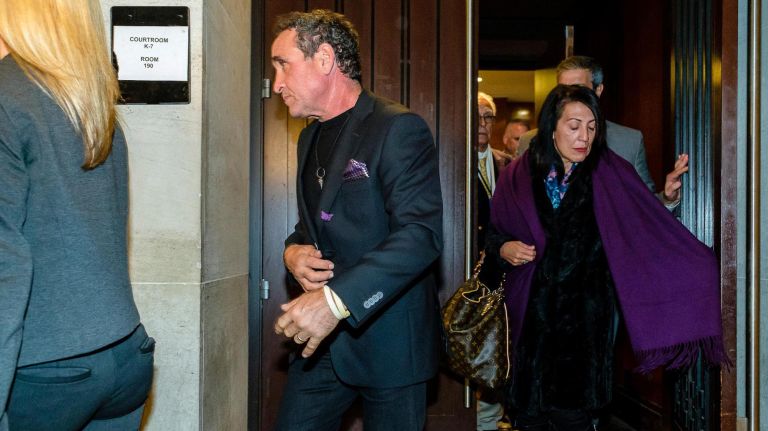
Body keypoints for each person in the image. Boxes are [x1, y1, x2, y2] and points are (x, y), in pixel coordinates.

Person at [486, 84, 726, 430]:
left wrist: (668, 202)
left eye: (592, 126)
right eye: (574, 126)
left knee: (574, 419)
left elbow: (639, 228)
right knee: (529, 419)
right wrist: (505, 248)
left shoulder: (611, 173)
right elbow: (495, 235)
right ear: (552, 126)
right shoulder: (517, 176)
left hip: (584, 329)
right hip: (528, 327)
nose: (584, 136)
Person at [270, 10, 443, 430]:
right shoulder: (309, 136)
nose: (276, 84)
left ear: (324, 59)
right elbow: (314, 226)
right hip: (323, 345)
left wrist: (334, 301)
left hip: (392, 345)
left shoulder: (398, 128)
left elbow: (420, 236)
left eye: (282, 64)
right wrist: (292, 252)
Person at [0, 1, 154, 430]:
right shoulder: (93, 106)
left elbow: (3, 268)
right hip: (126, 355)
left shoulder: (6, 97)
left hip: (47, 369)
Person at [518, 55, 689, 209]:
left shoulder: (628, 141)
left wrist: (667, 198)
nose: (568, 96)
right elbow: (515, 207)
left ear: (598, 90)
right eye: (562, 89)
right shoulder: (530, 141)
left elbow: (644, 206)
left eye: (578, 89)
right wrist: (506, 243)